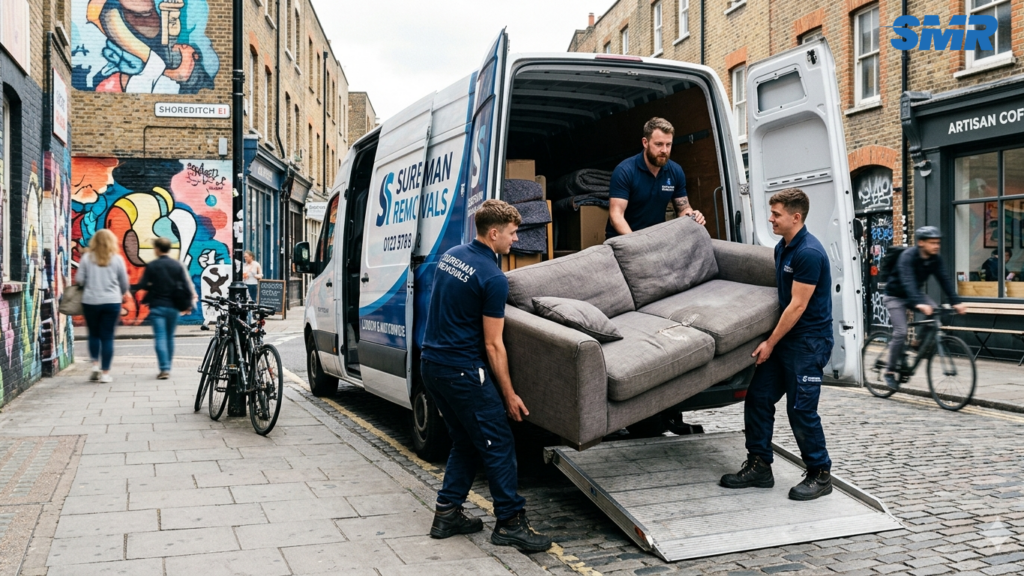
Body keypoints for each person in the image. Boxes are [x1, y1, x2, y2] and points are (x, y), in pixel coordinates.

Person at [420, 199, 552, 552]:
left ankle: (447, 512)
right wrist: (509, 395)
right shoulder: (493, 278)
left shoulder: (452, 256)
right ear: (493, 233)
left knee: (465, 440)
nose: (516, 240)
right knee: (498, 442)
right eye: (511, 234)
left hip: (431, 364)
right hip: (462, 371)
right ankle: (509, 522)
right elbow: (494, 346)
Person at [720, 189, 835, 501]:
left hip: (809, 343)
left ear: (795, 217)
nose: (770, 219)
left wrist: (769, 342)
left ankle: (820, 473)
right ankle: (760, 466)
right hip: (786, 339)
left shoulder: (808, 253)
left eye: (776, 214)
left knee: (800, 410)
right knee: (757, 398)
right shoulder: (782, 248)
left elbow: (797, 307)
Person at [882, 226, 967, 390]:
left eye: (938, 243)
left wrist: (956, 301)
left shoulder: (935, 259)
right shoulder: (907, 256)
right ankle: (889, 371)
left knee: (935, 312)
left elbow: (944, 280)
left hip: (914, 295)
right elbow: (908, 281)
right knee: (901, 332)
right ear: (921, 242)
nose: (936, 246)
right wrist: (918, 303)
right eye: (932, 243)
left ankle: (917, 343)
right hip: (895, 296)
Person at [606, 117, 706, 238]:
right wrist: (636, 241)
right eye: (658, 144)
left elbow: (682, 209)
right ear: (645, 142)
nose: (664, 150)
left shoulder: (675, 171)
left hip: (655, 239)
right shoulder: (625, 171)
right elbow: (616, 216)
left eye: (668, 145)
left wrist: (692, 215)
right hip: (623, 239)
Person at [77, 229, 131, 383]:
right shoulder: (117, 259)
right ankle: (105, 374)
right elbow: (124, 283)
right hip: (112, 302)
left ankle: (95, 365)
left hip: (91, 301)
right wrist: (119, 293)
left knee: (93, 334)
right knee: (107, 337)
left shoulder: (87, 258)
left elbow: (80, 279)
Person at [139, 237, 196, 379]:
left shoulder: (152, 266)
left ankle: (164, 368)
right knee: (169, 337)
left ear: (157, 249)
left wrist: (152, 285)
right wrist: (189, 304)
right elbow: (185, 285)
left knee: (160, 337)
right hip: (173, 308)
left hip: (157, 307)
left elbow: (143, 284)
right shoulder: (177, 265)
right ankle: (167, 367)